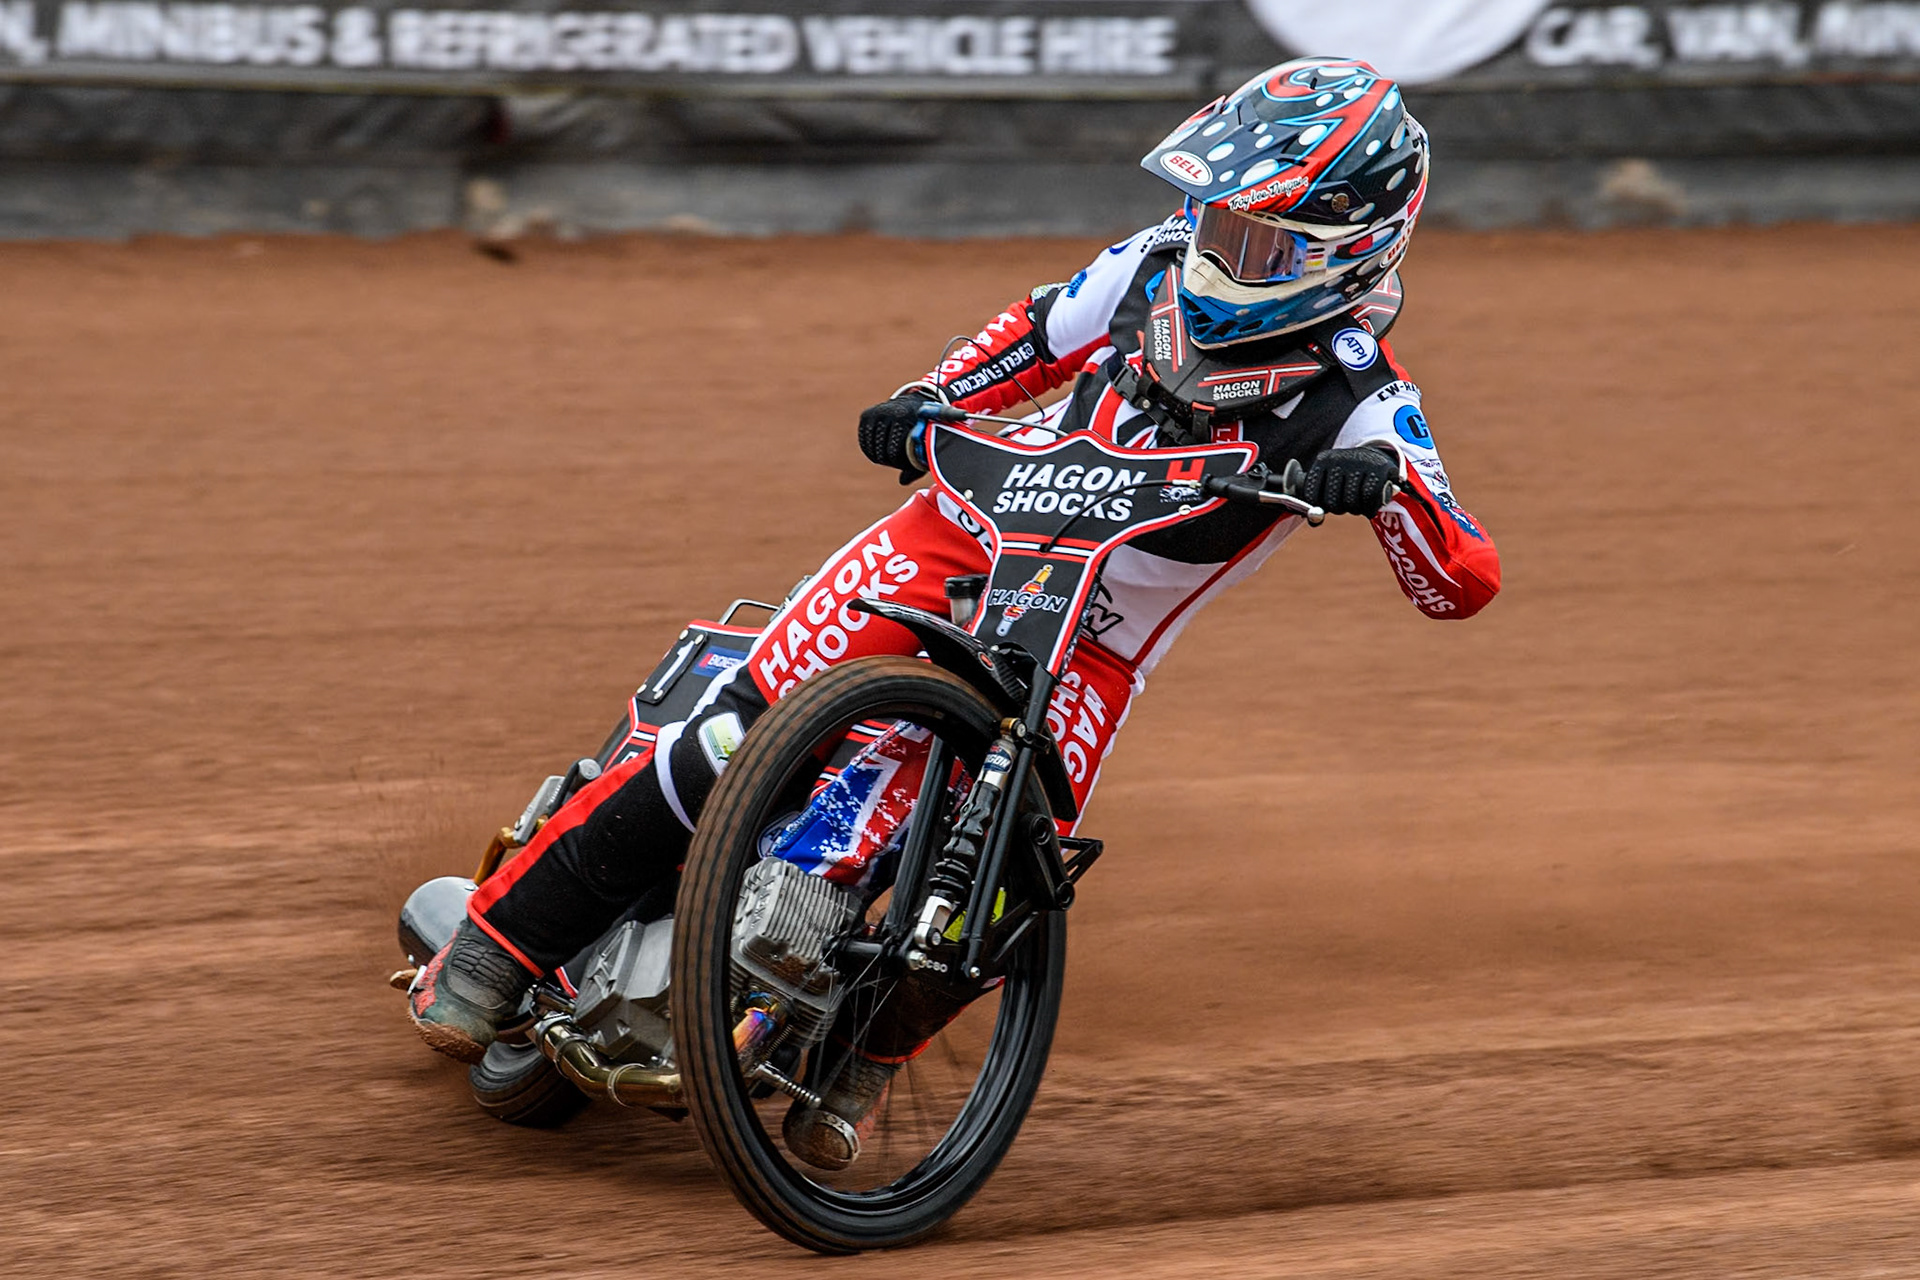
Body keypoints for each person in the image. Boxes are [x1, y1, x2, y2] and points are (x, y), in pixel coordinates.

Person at [407, 56, 1500, 1164]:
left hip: (1094, 642)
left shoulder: (1365, 399)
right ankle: (496, 944)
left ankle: (858, 1075)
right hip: (956, 537)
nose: (1218, 249)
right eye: (1214, 219)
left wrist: (1387, 494)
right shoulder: (1153, 264)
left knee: (1016, 874)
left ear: (1344, 248)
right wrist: (934, 396)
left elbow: (1460, 578)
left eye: (1257, 240)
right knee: (732, 729)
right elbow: (1033, 332)